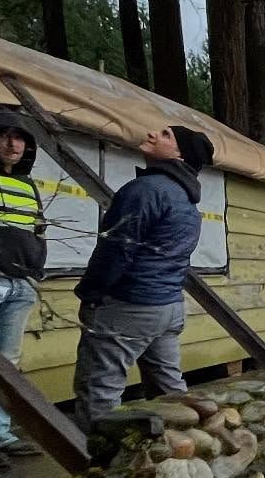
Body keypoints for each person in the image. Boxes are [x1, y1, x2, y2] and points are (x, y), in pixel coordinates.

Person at [72, 123, 214, 433]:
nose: (151, 134)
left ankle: (98, 469)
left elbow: (116, 249)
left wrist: (91, 293)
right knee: (172, 394)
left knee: (99, 397)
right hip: (168, 307)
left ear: (179, 153)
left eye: (165, 135)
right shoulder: (187, 202)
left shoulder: (145, 190)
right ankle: (185, 456)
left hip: (129, 306)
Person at [0, 110, 47, 470]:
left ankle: (1, 430)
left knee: (7, 363)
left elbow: (37, 229)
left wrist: (35, 269)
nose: (12, 143)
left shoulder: (26, 184)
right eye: (2, 136)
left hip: (21, 282)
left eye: (19, 137)